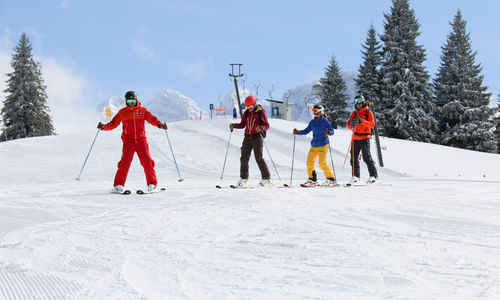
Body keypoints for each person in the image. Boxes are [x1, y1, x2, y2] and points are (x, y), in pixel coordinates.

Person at [97, 91, 168, 193]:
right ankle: (118, 185)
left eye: (133, 100)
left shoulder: (142, 110)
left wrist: (160, 125)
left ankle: (152, 184)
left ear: (136, 100)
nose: (131, 102)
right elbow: (113, 124)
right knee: (124, 163)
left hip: (141, 141)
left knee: (147, 162)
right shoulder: (122, 112)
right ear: (126, 101)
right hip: (128, 141)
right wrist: (104, 127)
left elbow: (152, 119)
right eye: (129, 100)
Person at [229, 96, 272, 187]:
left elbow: (267, 125)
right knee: (244, 158)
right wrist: (234, 125)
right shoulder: (246, 113)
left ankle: (267, 179)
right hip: (247, 138)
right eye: (247, 107)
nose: (249, 109)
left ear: (254, 104)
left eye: (250, 107)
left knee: (259, 158)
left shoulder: (260, 112)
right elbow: (242, 124)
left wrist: (261, 128)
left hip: (257, 138)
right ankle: (244, 179)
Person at [293, 104, 336, 187]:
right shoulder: (312, 122)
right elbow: (306, 131)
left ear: (321, 112)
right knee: (309, 162)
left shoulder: (325, 122)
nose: (314, 113)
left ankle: (331, 179)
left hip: (323, 144)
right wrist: (298, 132)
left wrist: (329, 132)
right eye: (313, 111)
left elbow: (332, 131)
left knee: (322, 163)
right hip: (314, 145)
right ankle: (312, 179)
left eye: (316, 111)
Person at [346, 95, 378, 184]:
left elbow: (372, 125)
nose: (357, 103)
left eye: (359, 101)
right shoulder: (354, 113)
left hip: (365, 138)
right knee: (353, 158)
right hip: (355, 138)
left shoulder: (368, 112)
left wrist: (362, 121)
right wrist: (351, 123)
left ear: (363, 102)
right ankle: (355, 176)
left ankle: (373, 176)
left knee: (366, 157)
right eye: (356, 101)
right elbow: (347, 125)